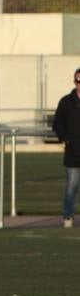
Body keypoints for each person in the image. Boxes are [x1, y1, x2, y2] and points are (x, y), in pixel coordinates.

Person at [52, 67, 80, 229]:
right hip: (73, 153)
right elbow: (57, 124)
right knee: (72, 186)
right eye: (78, 81)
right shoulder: (66, 102)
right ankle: (68, 216)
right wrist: (67, 139)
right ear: (74, 82)